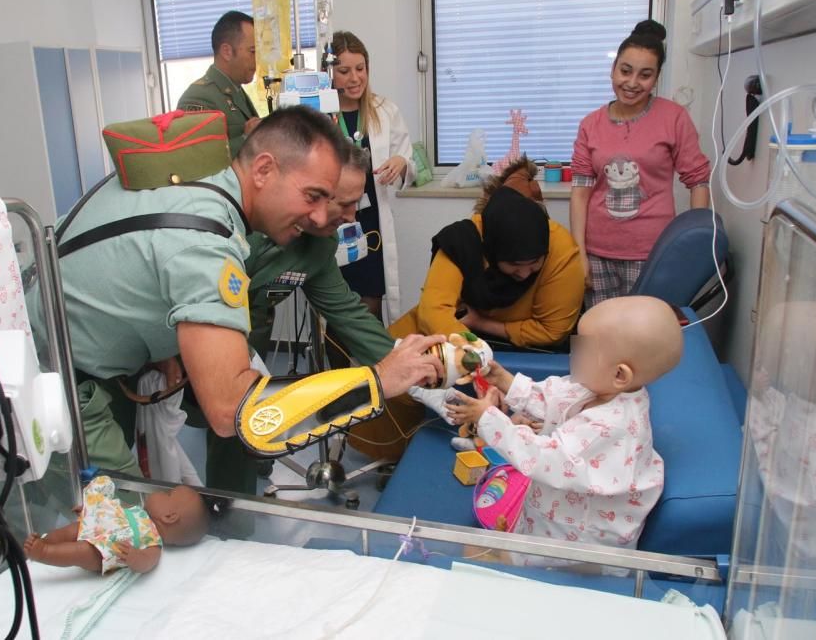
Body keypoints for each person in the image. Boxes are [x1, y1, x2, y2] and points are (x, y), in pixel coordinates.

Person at [27, 105, 445, 497]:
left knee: (131, 514)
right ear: (263, 169)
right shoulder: (206, 241)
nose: (322, 218)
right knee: (118, 529)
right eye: (313, 196)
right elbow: (234, 411)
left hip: (66, 347)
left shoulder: (197, 183)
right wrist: (375, 382)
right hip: (50, 378)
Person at [345, 179, 583, 461]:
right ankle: (393, 454)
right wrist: (469, 351)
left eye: (534, 266)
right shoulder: (464, 240)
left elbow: (552, 330)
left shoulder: (560, 252)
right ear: (493, 252)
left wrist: (484, 325)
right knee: (388, 358)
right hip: (459, 331)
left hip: (520, 341)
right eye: (516, 267)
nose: (525, 274)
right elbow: (434, 311)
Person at [445, 295, 683, 558]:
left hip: (574, 550)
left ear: (619, 374)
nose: (572, 351)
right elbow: (554, 397)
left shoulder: (612, 426)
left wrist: (487, 417)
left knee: (474, 554)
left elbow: (545, 457)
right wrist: (503, 380)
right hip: (550, 517)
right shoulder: (598, 388)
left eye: (583, 348)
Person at [570, 19, 711, 309]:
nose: (632, 83)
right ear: (613, 70)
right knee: (599, 336)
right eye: (625, 71)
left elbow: (698, 180)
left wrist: (693, 249)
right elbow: (581, 191)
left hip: (653, 253)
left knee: (644, 339)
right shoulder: (590, 124)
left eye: (645, 75)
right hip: (598, 254)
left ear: (656, 78)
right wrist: (579, 253)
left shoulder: (673, 117)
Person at [245, 144, 394, 367]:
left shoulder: (319, 245)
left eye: (357, 202)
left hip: (250, 349)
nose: (353, 217)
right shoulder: (234, 227)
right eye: (346, 204)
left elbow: (349, 314)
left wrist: (407, 365)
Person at [331, 31, 415, 321]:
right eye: (344, 71)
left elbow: (409, 160)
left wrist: (401, 162)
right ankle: (338, 366)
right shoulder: (320, 114)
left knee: (370, 307)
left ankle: (373, 367)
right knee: (334, 308)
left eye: (360, 69)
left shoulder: (384, 110)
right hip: (333, 222)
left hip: (370, 224)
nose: (354, 78)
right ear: (329, 73)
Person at [23, 475, 207, 574]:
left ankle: (44, 553)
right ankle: (47, 541)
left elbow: (149, 562)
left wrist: (135, 558)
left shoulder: (153, 541)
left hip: (106, 551)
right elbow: (116, 510)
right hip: (97, 525)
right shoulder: (138, 512)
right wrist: (94, 510)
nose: (161, 493)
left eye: (168, 495)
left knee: (81, 552)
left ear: (169, 516)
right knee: (71, 530)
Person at [177, 11, 261, 158]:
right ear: (227, 52)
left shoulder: (235, 89)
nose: (257, 60)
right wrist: (246, 139)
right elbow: (197, 158)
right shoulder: (198, 97)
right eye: (252, 52)